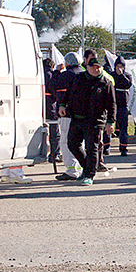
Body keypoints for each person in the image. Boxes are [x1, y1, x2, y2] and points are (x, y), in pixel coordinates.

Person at [58, 58, 116, 186]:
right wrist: (62, 105)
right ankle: (87, 167)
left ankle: (90, 175)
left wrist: (111, 122)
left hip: (95, 120)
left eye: (98, 67)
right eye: (93, 67)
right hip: (77, 118)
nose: (96, 69)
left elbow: (112, 104)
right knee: (72, 144)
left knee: (92, 148)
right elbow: (68, 93)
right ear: (87, 68)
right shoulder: (78, 78)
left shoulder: (105, 82)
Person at [52, 53, 85, 180]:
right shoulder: (84, 73)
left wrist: (56, 72)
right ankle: (82, 167)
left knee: (65, 140)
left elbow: (55, 87)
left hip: (67, 112)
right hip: (83, 114)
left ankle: (72, 169)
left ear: (67, 62)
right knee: (80, 141)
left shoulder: (66, 75)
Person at [110, 56, 133, 157]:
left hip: (123, 105)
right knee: (109, 126)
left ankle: (123, 148)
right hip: (112, 105)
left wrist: (122, 75)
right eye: (117, 66)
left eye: (121, 66)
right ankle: (107, 147)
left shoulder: (127, 75)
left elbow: (128, 84)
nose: (119, 68)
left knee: (124, 128)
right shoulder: (111, 75)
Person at [43, 58, 60, 164]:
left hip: (40, 105)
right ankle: (54, 154)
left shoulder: (40, 74)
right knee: (55, 132)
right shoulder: (51, 75)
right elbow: (54, 91)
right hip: (50, 106)